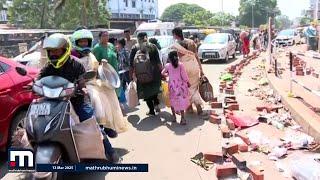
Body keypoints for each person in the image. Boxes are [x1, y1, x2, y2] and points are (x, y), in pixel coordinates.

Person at [38, 33, 118, 162]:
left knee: (91, 123)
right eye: (51, 51)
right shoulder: (48, 66)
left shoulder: (77, 64)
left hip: (77, 100)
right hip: (54, 102)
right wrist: (33, 85)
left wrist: (82, 88)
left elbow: (82, 81)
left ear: (65, 50)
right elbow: (39, 79)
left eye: (56, 50)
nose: (53, 54)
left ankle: (111, 152)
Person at [172, 27, 205, 116]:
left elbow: (175, 60)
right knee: (194, 87)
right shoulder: (191, 42)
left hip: (184, 67)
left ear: (175, 34)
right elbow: (196, 56)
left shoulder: (176, 45)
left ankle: (190, 108)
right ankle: (198, 107)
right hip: (194, 65)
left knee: (186, 88)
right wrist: (201, 69)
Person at [129, 32, 162, 116]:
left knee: (146, 91)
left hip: (141, 74)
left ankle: (151, 110)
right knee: (154, 89)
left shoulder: (135, 48)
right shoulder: (153, 46)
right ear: (146, 37)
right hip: (154, 73)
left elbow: (131, 64)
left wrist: (131, 75)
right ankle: (156, 105)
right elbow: (158, 61)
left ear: (138, 38)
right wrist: (162, 72)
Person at [161, 51, 190, 125]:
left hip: (172, 86)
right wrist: (187, 82)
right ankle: (183, 119)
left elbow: (162, 73)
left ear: (169, 58)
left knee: (172, 101)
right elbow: (184, 75)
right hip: (180, 86)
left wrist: (168, 75)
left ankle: (174, 117)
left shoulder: (168, 65)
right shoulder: (180, 65)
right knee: (180, 101)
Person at [92, 31, 120, 96]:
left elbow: (115, 55)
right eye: (104, 36)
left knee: (116, 91)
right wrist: (101, 62)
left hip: (114, 71)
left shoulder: (111, 46)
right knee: (108, 93)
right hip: (104, 75)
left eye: (107, 35)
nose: (106, 37)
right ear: (100, 37)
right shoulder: (97, 48)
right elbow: (94, 63)